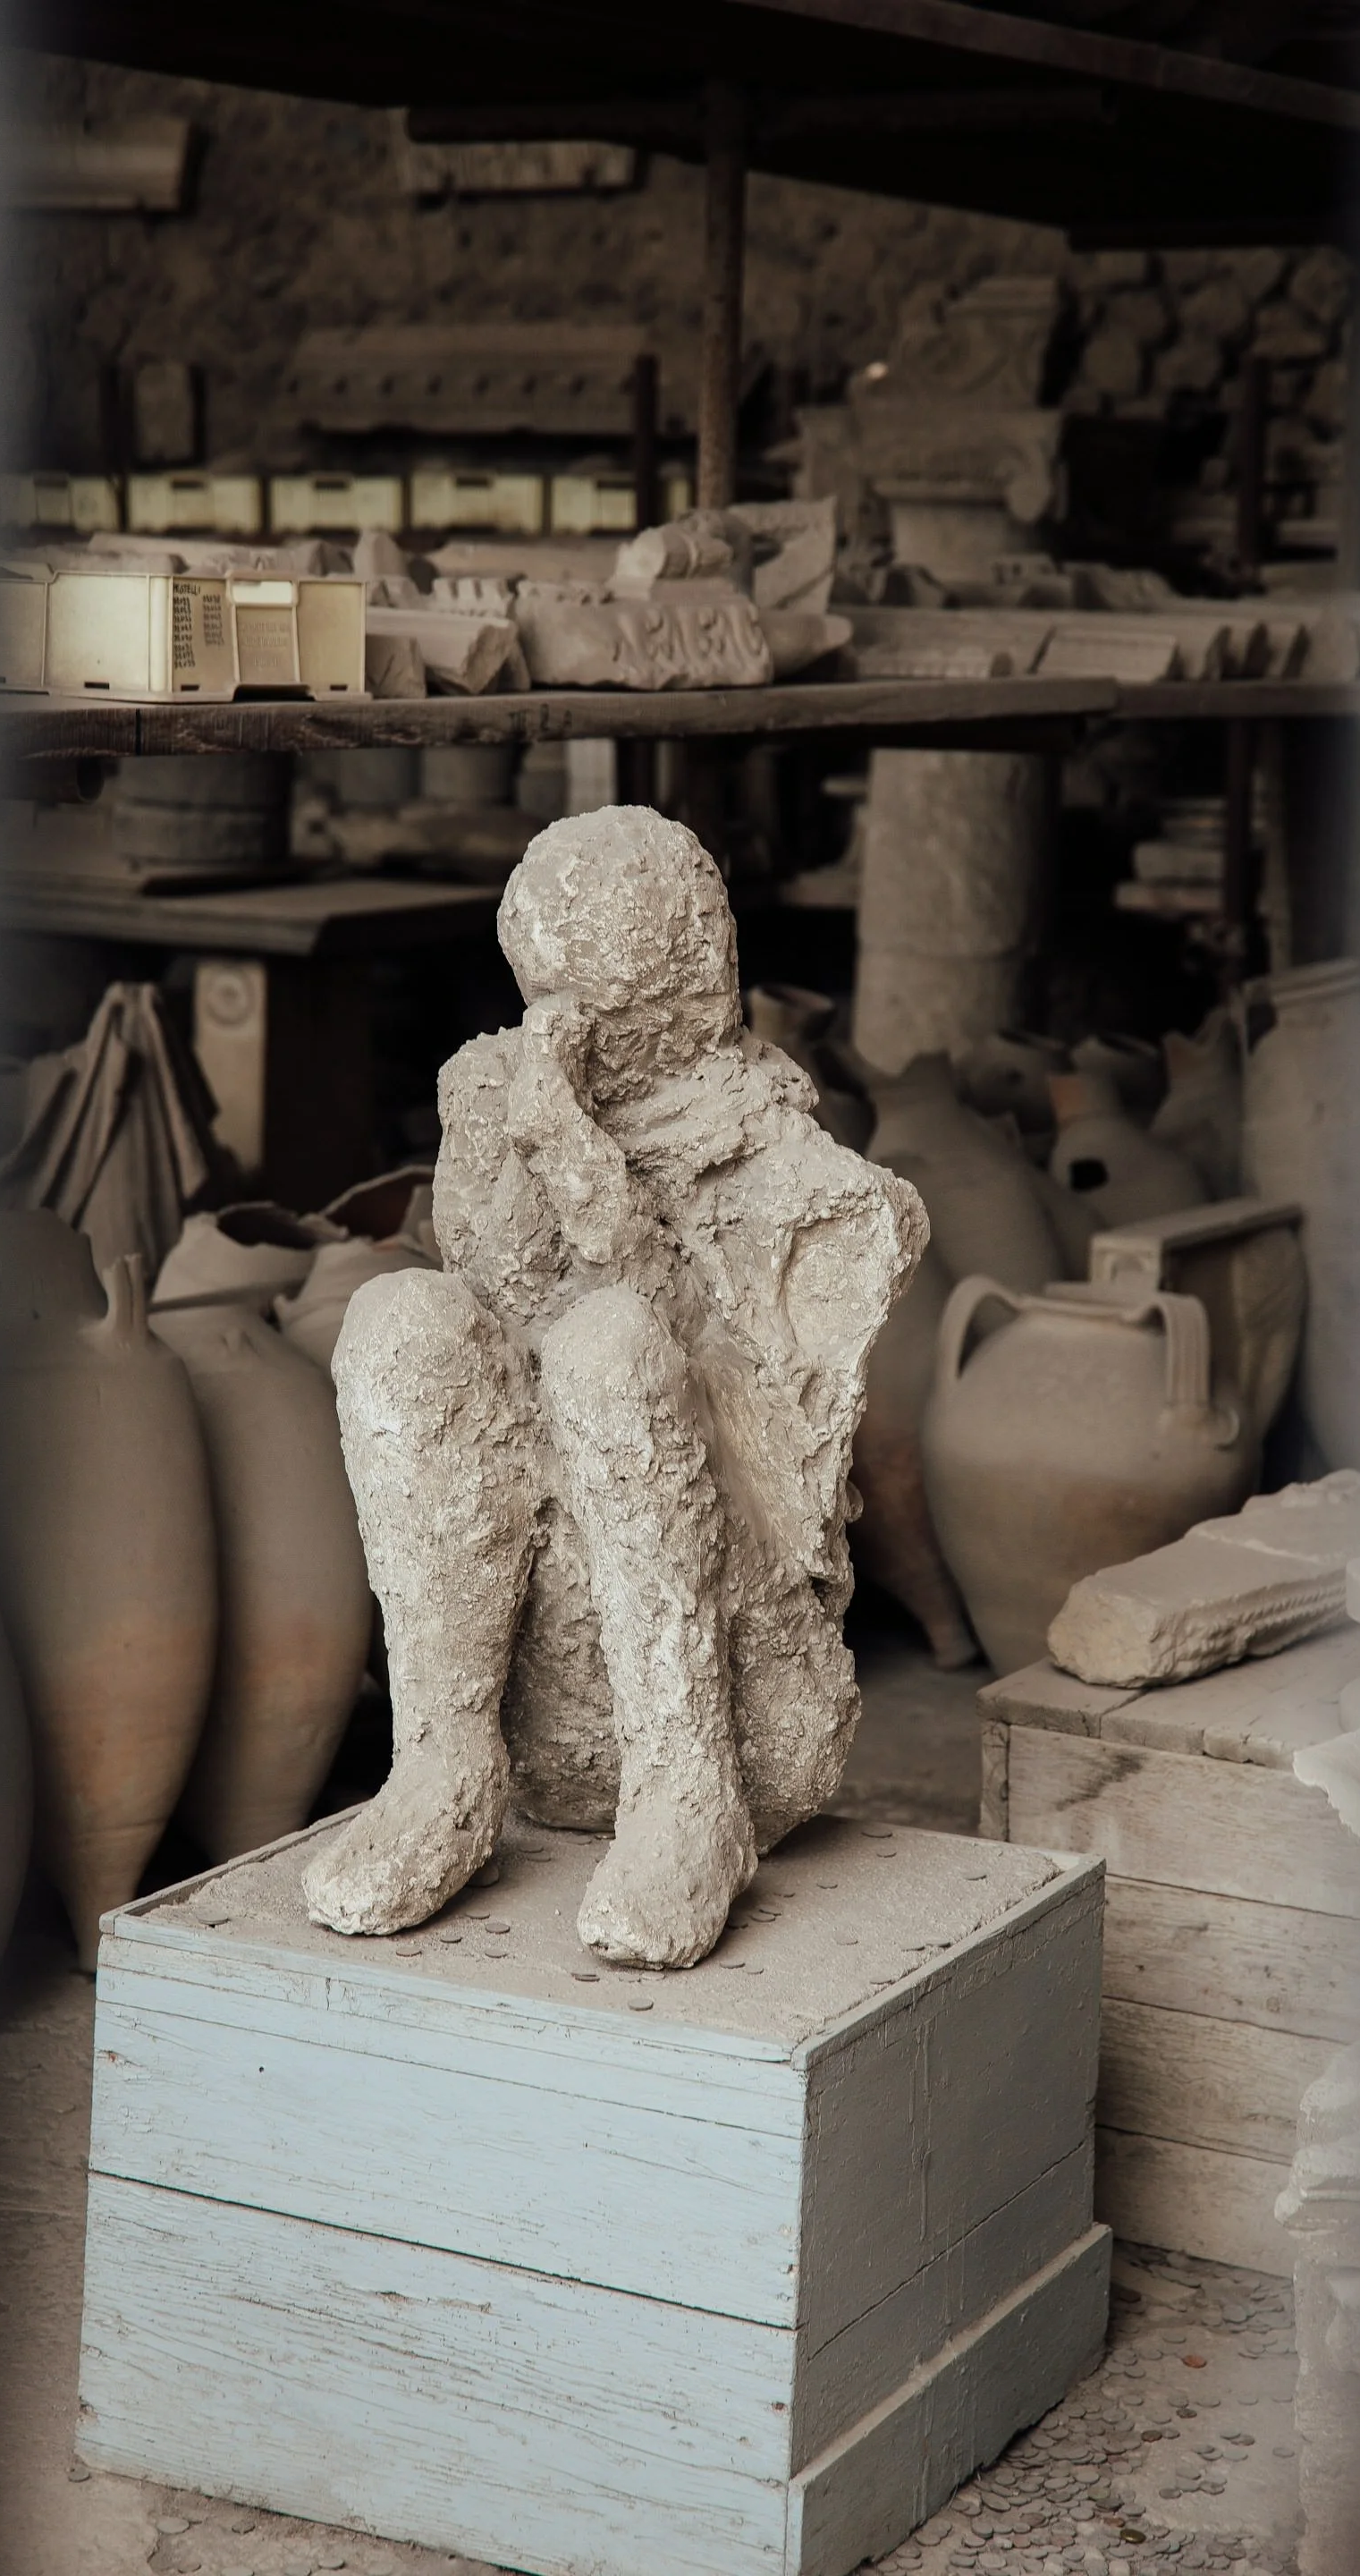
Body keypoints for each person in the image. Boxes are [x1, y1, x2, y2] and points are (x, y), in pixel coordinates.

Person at [303, 806, 925, 1967]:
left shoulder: (772, 1151)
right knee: (400, 1319)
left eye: (584, 1004)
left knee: (613, 1343)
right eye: (539, 996)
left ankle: (688, 1799)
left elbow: (709, 1368)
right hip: (553, 1658)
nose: (557, 1027)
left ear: (684, 987)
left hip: (726, 1664)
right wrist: (502, 1152)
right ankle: (444, 1763)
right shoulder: (515, 1091)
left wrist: (584, 1162)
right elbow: (501, 1316)